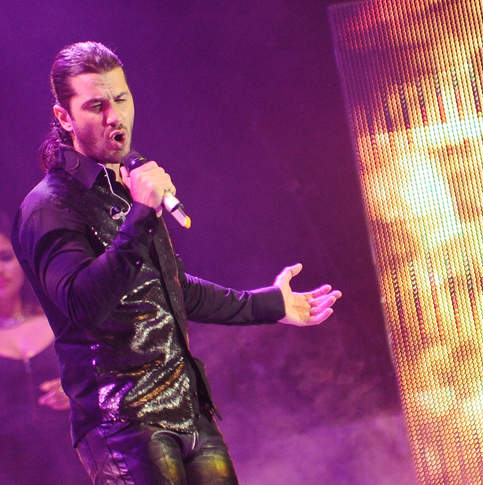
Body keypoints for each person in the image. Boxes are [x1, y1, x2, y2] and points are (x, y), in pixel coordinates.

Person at [11, 41, 341, 485]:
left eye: (121, 99)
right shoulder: (49, 207)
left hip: (188, 408)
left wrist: (269, 304)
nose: (114, 117)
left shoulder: (124, 189)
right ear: (64, 117)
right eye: (95, 106)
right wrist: (141, 215)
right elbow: (82, 305)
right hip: (122, 420)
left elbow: (170, 287)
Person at [0, 211, 88, 483]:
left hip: (78, 466)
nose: (0, 270)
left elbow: (111, 381)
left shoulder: (60, 320)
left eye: (5, 257)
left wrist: (77, 392)